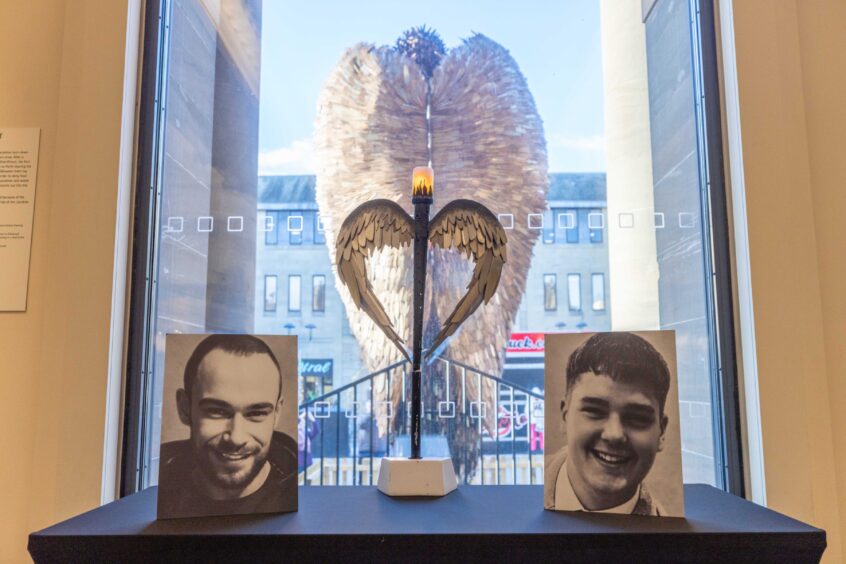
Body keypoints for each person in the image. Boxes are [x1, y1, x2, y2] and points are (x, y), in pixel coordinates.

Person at [158, 334, 297, 518]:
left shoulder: (294, 493)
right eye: (217, 411)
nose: (236, 438)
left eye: (256, 413)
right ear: (185, 409)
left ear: (276, 414)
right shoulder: (158, 490)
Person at [545, 332, 670, 516]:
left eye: (637, 417)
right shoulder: (519, 488)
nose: (614, 434)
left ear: (661, 432)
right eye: (595, 411)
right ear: (565, 415)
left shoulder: (670, 538)